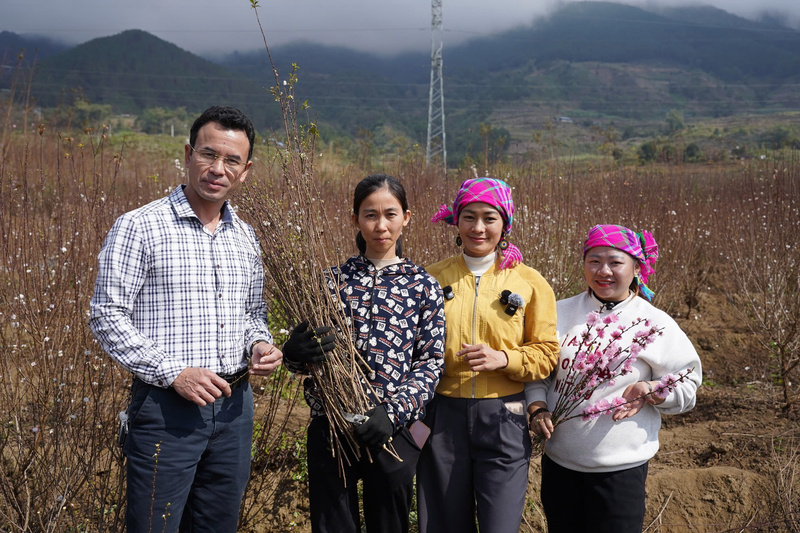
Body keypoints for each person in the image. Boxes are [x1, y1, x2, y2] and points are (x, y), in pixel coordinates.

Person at [89, 106, 282, 533]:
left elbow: (253, 314)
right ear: (187, 153)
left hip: (234, 408)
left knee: (217, 525)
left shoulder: (245, 236)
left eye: (232, 160)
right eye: (208, 154)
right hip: (165, 409)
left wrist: (260, 345)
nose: (218, 169)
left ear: (245, 170)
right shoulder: (140, 226)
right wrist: (174, 372)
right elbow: (106, 316)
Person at [281, 174, 446, 533]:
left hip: (392, 433)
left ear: (407, 217)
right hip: (332, 426)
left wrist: (393, 413)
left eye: (390, 214)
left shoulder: (423, 285)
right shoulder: (330, 282)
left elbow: (430, 363)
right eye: (370, 215)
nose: (380, 225)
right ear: (354, 218)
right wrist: (291, 355)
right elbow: (306, 359)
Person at [526, 224, 702, 533]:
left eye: (615, 262)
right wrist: (537, 407)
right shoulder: (559, 312)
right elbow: (538, 371)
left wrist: (652, 389)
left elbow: (687, 383)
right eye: (594, 260)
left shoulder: (654, 323)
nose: (603, 270)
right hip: (559, 468)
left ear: (637, 267)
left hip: (620, 473)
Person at [416, 177, 560, 533]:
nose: (478, 228)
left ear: (504, 223)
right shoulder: (431, 278)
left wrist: (505, 359)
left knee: (500, 526)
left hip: (505, 417)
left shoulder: (530, 282)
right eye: (469, 217)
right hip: (442, 417)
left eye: (489, 218)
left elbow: (546, 352)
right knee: (444, 524)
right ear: (456, 221)